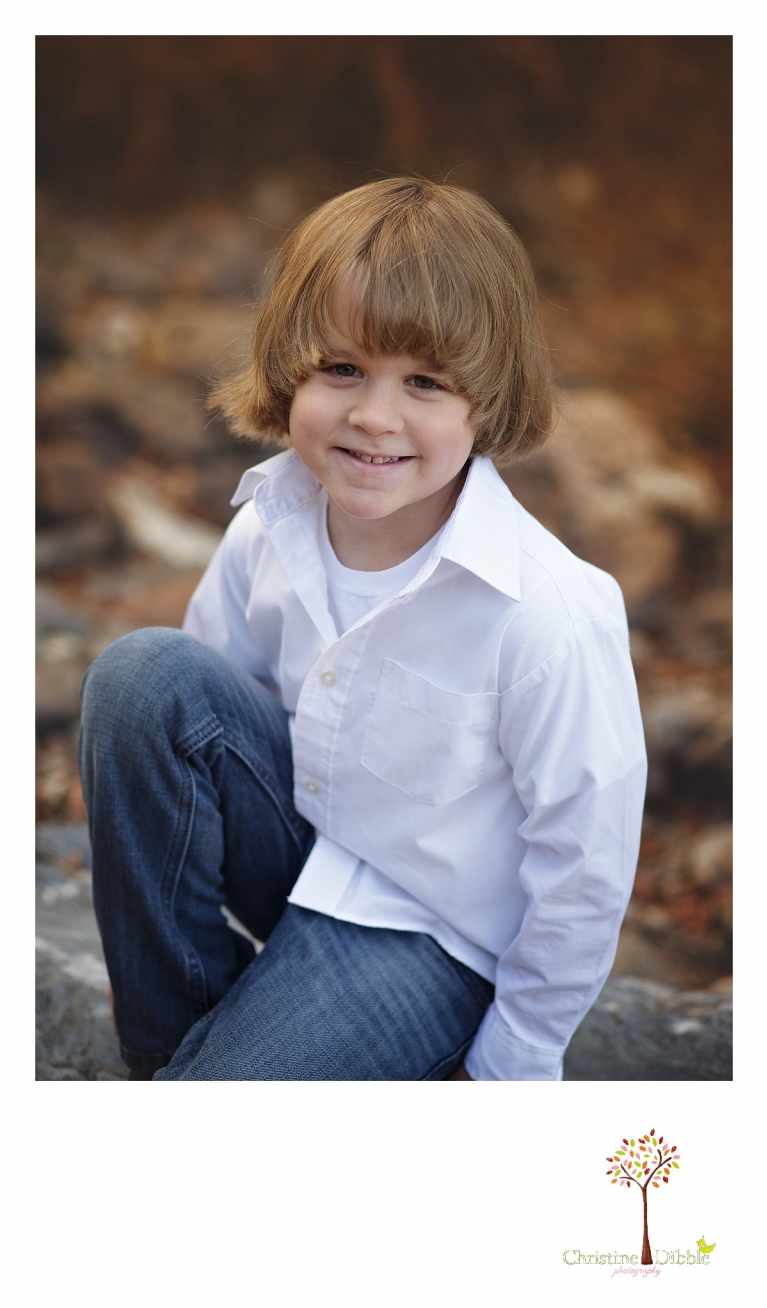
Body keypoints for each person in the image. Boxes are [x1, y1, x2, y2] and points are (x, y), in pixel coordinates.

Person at [78, 176, 647, 1080]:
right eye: (342, 369)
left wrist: (510, 1064)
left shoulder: (546, 611)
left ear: (486, 401)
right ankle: (167, 1047)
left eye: (426, 383)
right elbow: (201, 733)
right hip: (300, 851)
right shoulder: (269, 523)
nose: (375, 417)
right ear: (289, 368)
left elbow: (585, 862)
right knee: (146, 675)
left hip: (428, 935)